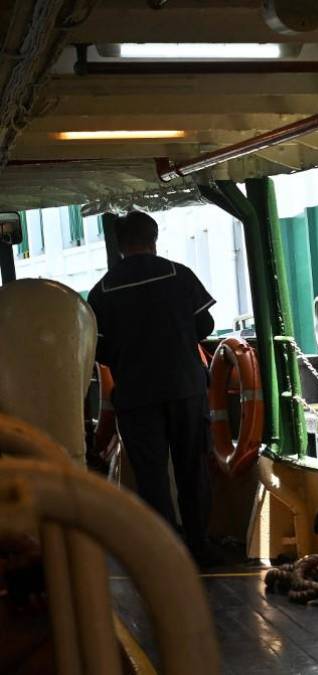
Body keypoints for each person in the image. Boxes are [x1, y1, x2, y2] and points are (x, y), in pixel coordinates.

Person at [87, 211, 216, 565]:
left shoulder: (103, 290)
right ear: (154, 238)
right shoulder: (178, 275)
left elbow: (97, 348)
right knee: (192, 467)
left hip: (136, 394)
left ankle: (166, 552)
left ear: (120, 244)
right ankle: (200, 547)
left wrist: (128, 359)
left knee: (152, 474)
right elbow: (205, 323)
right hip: (185, 387)